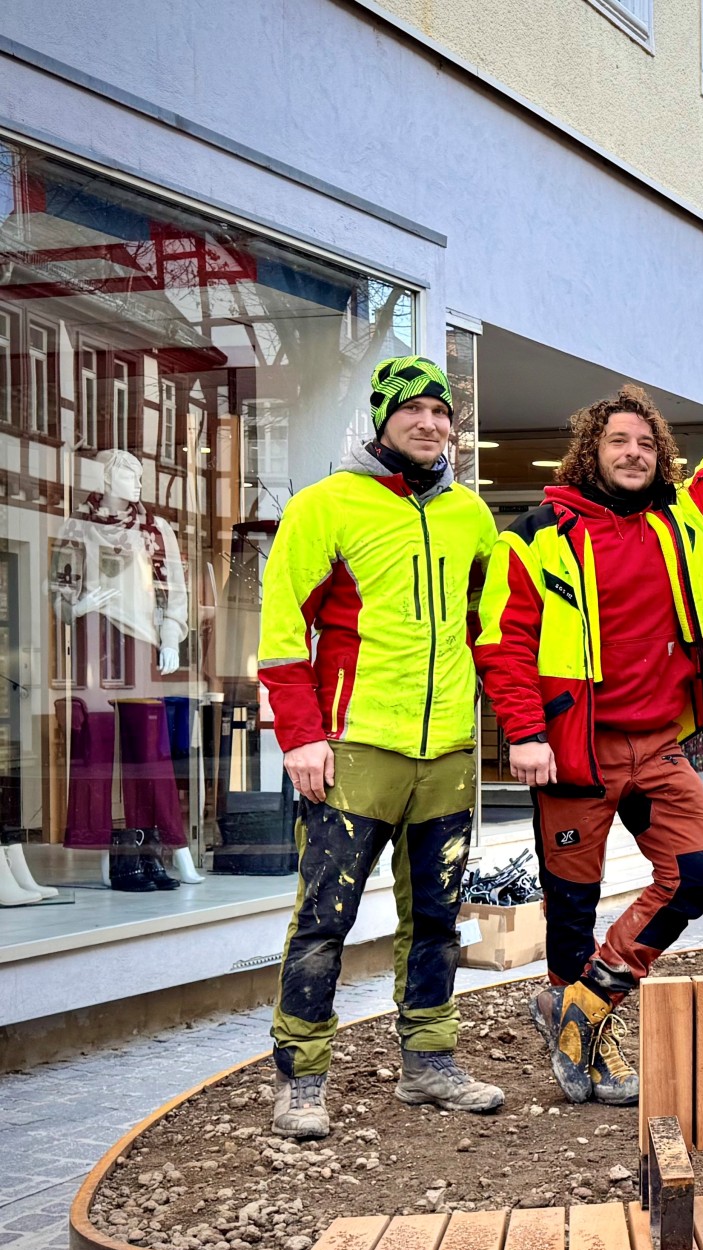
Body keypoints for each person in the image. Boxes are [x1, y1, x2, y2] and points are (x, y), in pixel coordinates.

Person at [475, 354, 703, 1105]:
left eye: (646, 444)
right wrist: (523, 733)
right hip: (571, 753)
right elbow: (500, 639)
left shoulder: (682, 520)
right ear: (591, 450)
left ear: (660, 457)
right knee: (569, 908)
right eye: (618, 441)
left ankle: (588, 1002)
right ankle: (581, 1044)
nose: (633, 453)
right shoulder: (536, 534)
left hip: (658, 746)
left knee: (693, 878)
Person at [258, 356, 505, 1140]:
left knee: (435, 917)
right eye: (414, 410)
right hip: (354, 748)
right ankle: (301, 1077)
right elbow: (279, 636)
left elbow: (492, 631)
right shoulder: (325, 505)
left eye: (442, 412)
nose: (430, 423)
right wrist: (301, 737)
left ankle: (428, 1064)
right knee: (323, 920)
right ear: (382, 417)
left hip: (447, 755)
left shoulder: (471, 517)